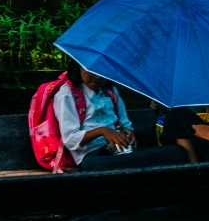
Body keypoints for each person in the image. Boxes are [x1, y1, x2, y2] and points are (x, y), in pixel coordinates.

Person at [48, 63, 187, 171]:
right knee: (94, 166)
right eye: (91, 71)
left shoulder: (111, 92)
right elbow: (70, 139)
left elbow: (125, 123)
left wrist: (128, 133)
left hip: (120, 152)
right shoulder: (67, 94)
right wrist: (103, 131)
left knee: (178, 152)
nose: (97, 77)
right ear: (78, 67)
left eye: (102, 72)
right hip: (92, 155)